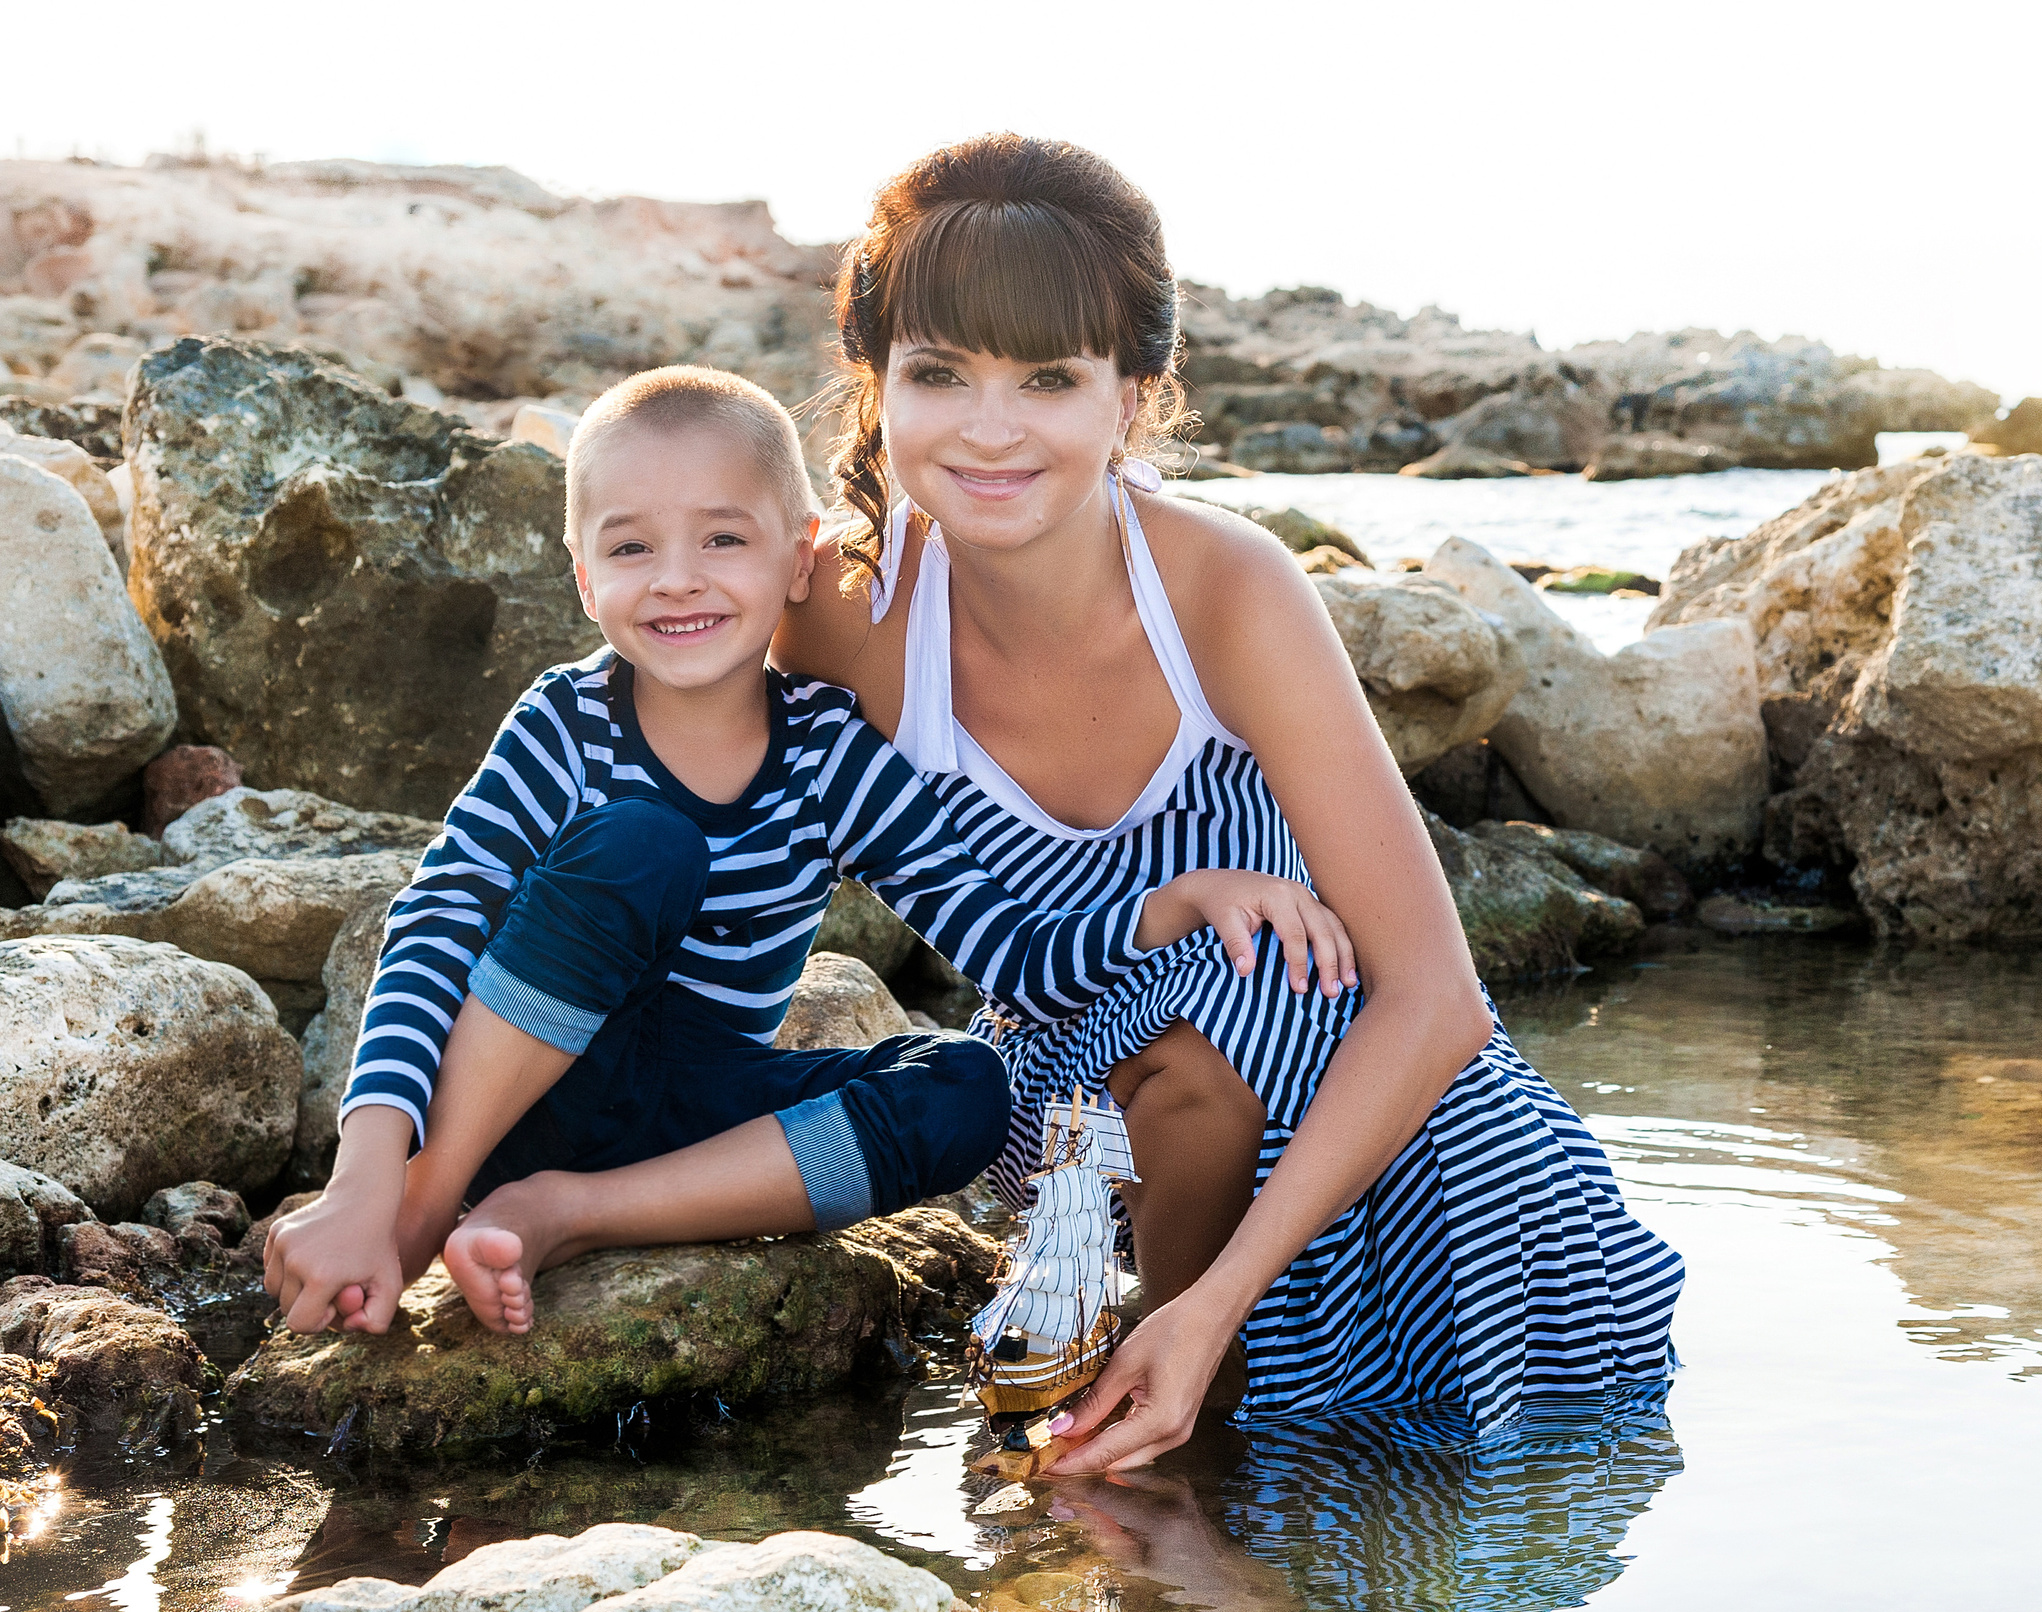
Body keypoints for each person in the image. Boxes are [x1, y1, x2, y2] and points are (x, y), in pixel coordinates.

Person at [771, 134, 1685, 1474]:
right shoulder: (844, 613)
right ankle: (1164, 1450)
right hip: (1084, 1105)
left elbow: (1435, 999)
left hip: (1365, 1125)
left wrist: (1210, 1307)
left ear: (1132, 399)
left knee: (1257, 960)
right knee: (1186, 1035)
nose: (990, 428)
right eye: (939, 374)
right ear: (876, 381)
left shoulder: (1227, 591)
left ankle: (1198, 1415)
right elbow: (622, 762)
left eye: (1049, 379)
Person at [263, 365, 1353, 1340]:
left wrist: (1173, 903)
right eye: (631, 546)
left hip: (697, 1114)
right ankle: (422, 1206)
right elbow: (439, 919)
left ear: (797, 560)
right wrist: (368, 1174)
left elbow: (1011, 958)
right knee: (643, 843)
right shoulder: (567, 722)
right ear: (584, 577)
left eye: (722, 539)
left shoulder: (830, 750)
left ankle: (569, 1214)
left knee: (963, 1082)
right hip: (520, 1091)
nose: (678, 579)